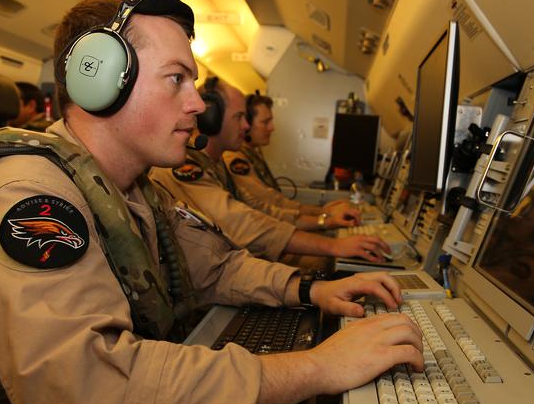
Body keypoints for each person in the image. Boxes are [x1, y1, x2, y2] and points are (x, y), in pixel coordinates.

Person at [0, 0, 423, 404]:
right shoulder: (33, 197)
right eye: (176, 78)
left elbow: (217, 265)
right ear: (96, 81)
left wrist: (312, 288)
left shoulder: (139, 191)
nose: (199, 105)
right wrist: (319, 366)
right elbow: (90, 399)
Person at [149, 79, 391, 265]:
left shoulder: (216, 163)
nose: (246, 126)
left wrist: (324, 217)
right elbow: (244, 223)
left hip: (233, 265)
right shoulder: (186, 166)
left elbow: (261, 207)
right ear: (211, 119)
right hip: (219, 277)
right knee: (323, 264)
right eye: (240, 117)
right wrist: (330, 240)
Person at [222, 90, 359, 230]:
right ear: (247, 125)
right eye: (265, 122)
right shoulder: (235, 159)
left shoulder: (252, 153)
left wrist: (324, 211)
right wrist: (324, 214)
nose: (272, 128)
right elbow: (270, 202)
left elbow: (277, 201)